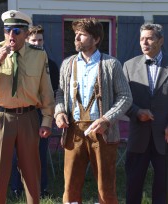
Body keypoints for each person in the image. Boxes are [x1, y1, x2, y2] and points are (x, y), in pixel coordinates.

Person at [55, 17, 132, 204]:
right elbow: (60, 94)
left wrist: (106, 119)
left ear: (96, 39)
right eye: (75, 34)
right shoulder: (68, 63)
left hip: (102, 132)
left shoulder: (111, 64)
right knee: (70, 187)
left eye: (82, 35)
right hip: (74, 131)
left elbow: (125, 97)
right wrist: (59, 112)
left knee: (105, 187)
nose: (76, 38)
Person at [0, 10, 55, 204]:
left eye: (16, 31)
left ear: (25, 33)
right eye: (7, 31)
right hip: (0, 118)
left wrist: (47, 120)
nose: (11, 36)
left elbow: (46, 89)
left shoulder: (39, 55)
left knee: (32, 172)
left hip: (28, 117)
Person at [122, 23, 168, 204]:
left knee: (165, 189)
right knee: (133, 185)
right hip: (138, 137)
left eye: (149, 38)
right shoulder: (129, 66)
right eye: (141, 39)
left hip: (167, 137)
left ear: (160, 41)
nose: (144, 42)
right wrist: (137, 112)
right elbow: (122, 100)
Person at [10, 25, 59, 198]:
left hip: (39, 113)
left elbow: (51, 92)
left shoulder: (50, 64)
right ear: (26, 40)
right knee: (17, 154)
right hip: (20, 113)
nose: (37, 43)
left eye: (40, 40)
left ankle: (41, 189)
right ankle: (16, 189)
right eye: (33, 40)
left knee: (40, 152)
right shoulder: (17, 60)